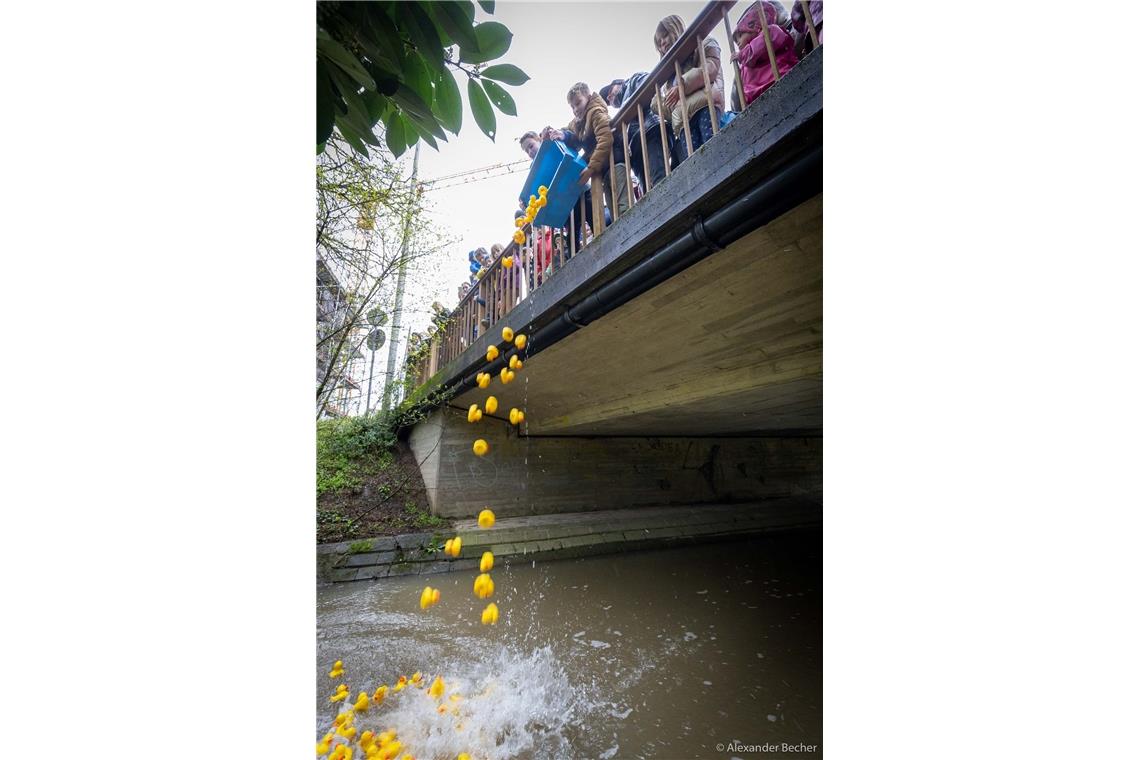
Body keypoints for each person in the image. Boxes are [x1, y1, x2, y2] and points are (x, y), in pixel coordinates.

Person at [655, 15, 725, 164]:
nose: (662, 43)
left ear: (675, 28)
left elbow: (710, 68)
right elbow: (669, 108)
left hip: (705, 104)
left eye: (665, 35)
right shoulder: (668, 74)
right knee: (696, 163)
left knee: (714, 150)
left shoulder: (702, 41)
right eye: (659, 43)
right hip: (683, 120)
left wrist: (681, 86)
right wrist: (657, 101)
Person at [600, 75, 674, 194]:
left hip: (650, 131)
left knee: (659, 178)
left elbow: (649, 85)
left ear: (620, 83)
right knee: (646, 190)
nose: (609, 98)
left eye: (609, 91)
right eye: (607, 101)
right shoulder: (621, 117)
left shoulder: (633, 80)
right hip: (635, 150)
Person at [729, 2, 794, 111]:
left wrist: (741, 55)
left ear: (755, 26)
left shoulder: (770, 31)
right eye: (736, 41)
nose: (739, 43)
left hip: (778, 79)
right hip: (757, 98)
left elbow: (760, 47)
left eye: (740, 36)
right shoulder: (744, 63)